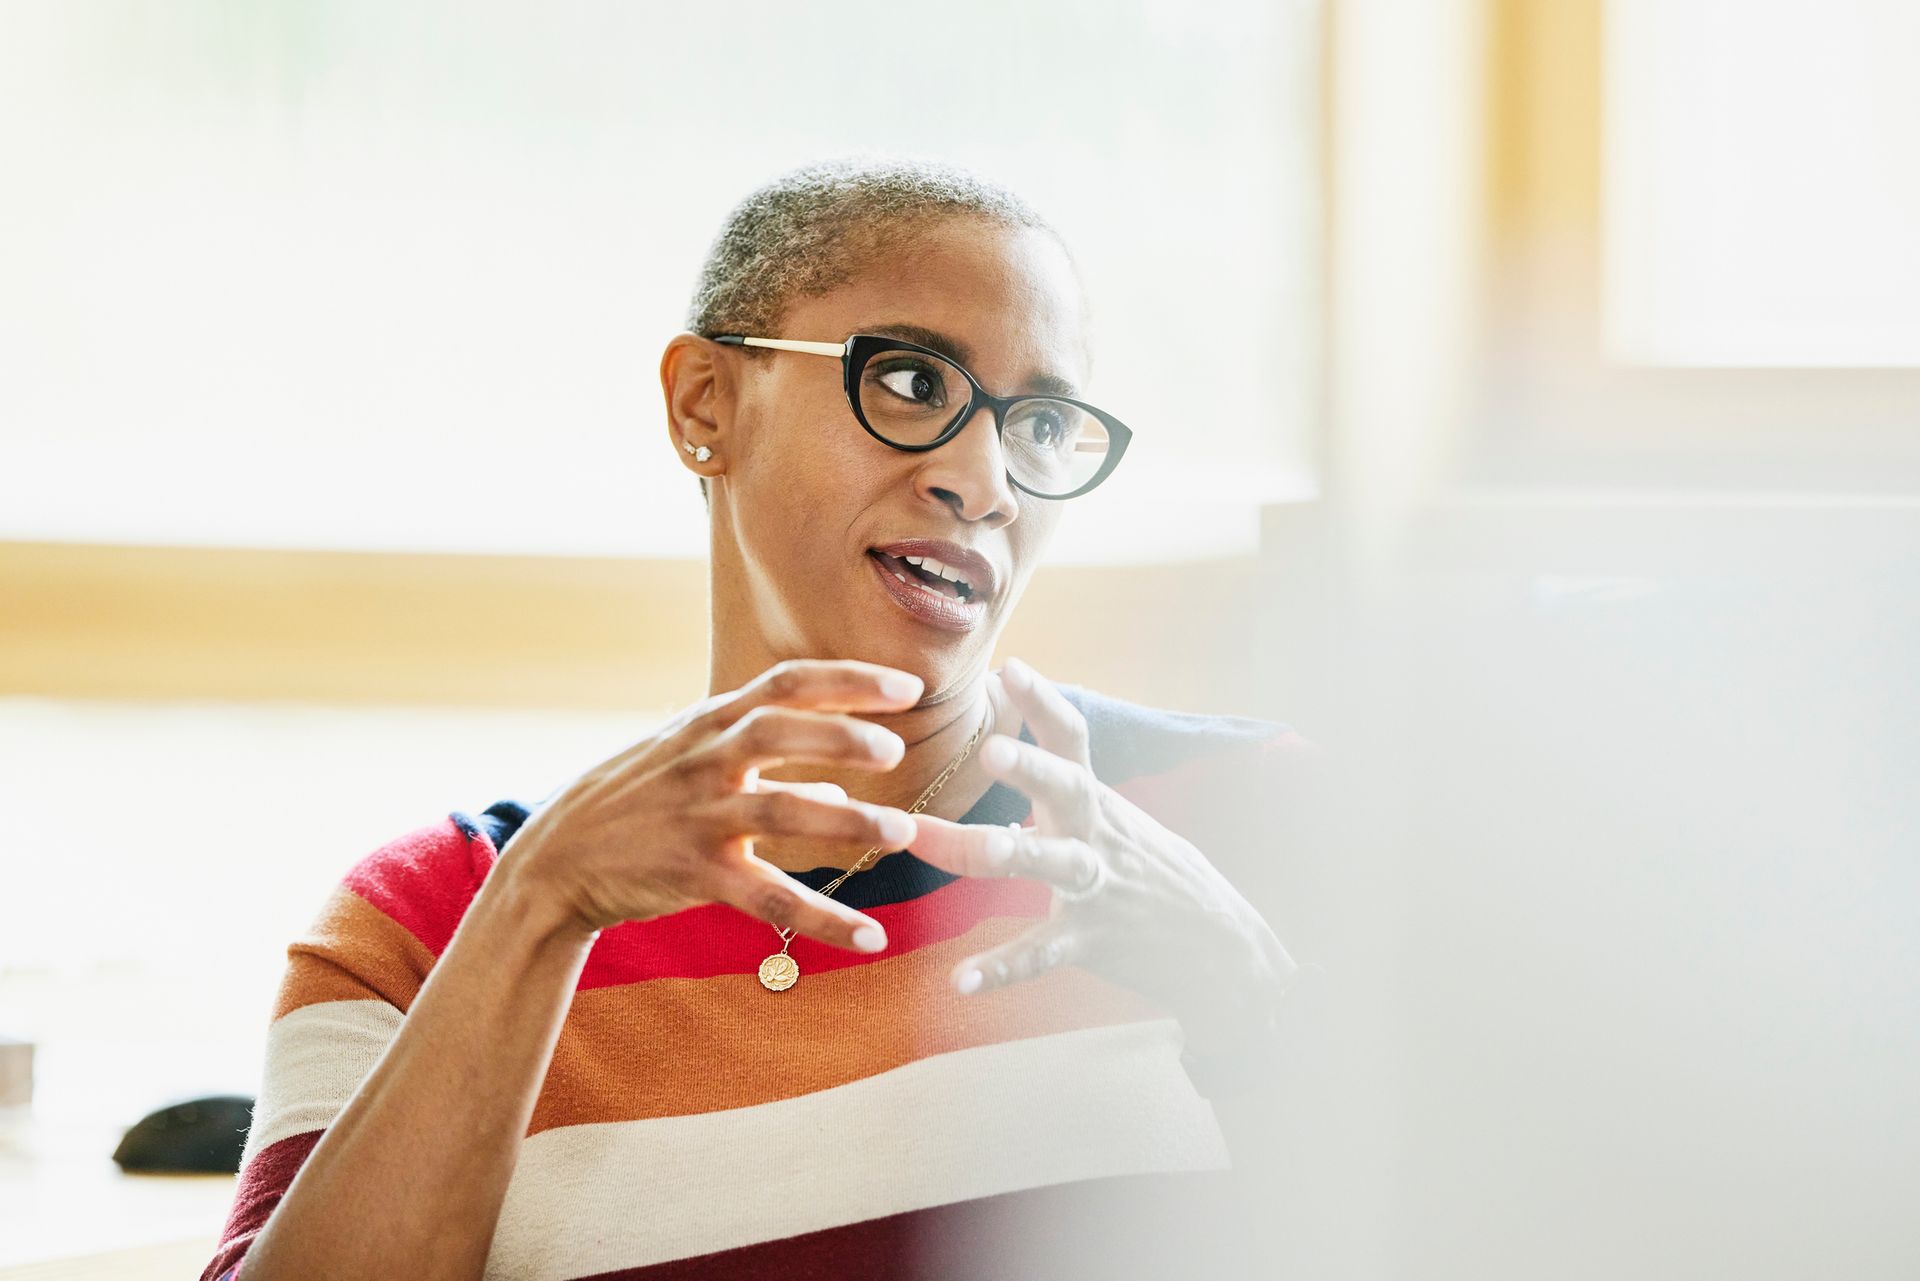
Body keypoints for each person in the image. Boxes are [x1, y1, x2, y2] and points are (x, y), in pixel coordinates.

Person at [203, 157, 1324, 1281]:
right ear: (707, 405)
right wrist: (537, 916)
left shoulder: (1252, 823)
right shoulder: (422, 924)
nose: (984, 481)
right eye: (913, 383)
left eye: (1038, 426)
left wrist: (1258, 1011)